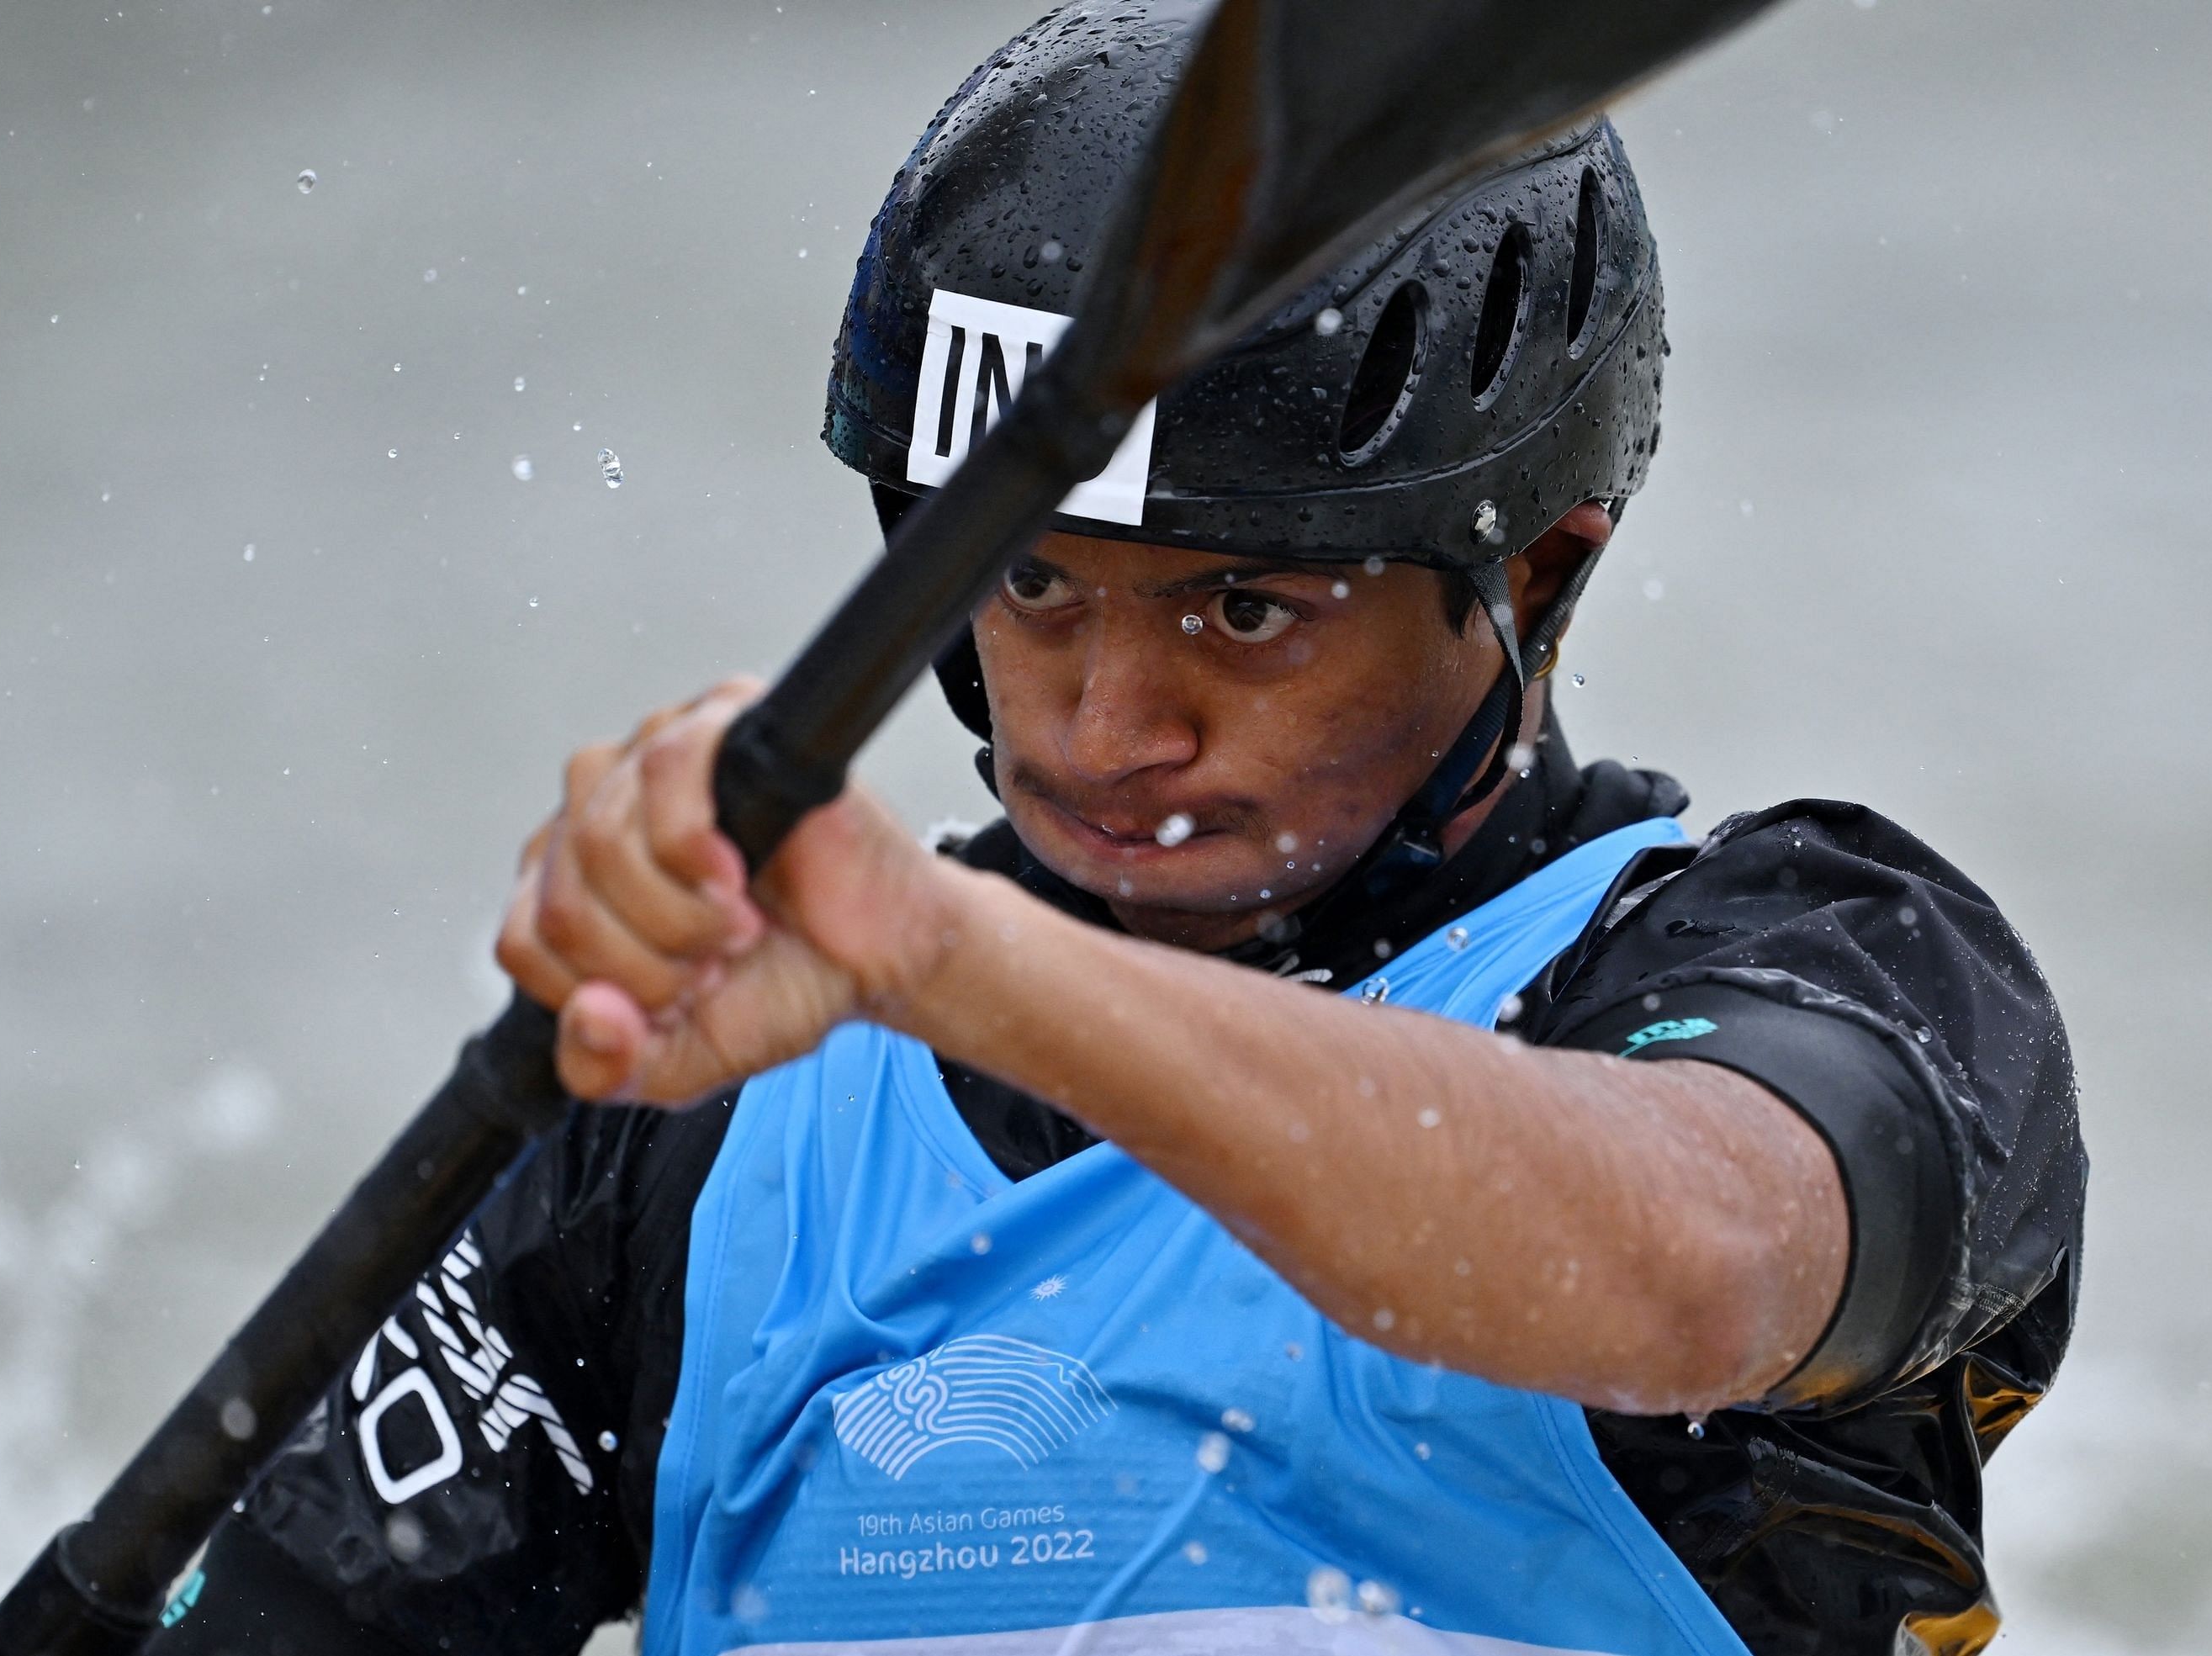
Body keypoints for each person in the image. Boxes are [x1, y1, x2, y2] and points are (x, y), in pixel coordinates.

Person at [153, 4, 2083, 1652]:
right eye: (1033, 585)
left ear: (1541, 575)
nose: (1106, 724)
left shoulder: (1822, 959)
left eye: (1247, 609)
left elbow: (1694, 1277)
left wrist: (957, 961)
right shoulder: (712, 1128)